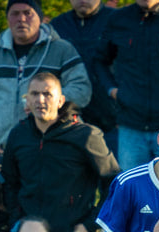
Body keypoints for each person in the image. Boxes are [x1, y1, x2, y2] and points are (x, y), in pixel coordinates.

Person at [1, 72, 119, 232]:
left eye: (47, 94)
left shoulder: (85, 135)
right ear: (27, 100)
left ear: (60, 100)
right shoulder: (18, 135)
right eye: (35, 94)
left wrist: (90, 226)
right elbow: (9, 182)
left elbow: (115, 185)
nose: (40, 100)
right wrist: (17, 221)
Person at [0, 0, 91, 172]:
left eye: (28, 13)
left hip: (51, 148)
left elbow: (82, 90)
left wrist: (46, 101)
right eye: (15, 14)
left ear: (40, 18)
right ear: (7, 19)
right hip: (0, 152)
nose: (21, 19)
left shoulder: (62, 50)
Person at [93, 0, 159, 170]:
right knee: (132, 188)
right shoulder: (118, 19)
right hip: (131, 125)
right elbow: (100, 60)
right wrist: (113, 91)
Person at [50, 0, 119, 154]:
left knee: (113, 174)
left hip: (112, 121)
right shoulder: (57, 26)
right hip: (68, 121)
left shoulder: (117, 21)